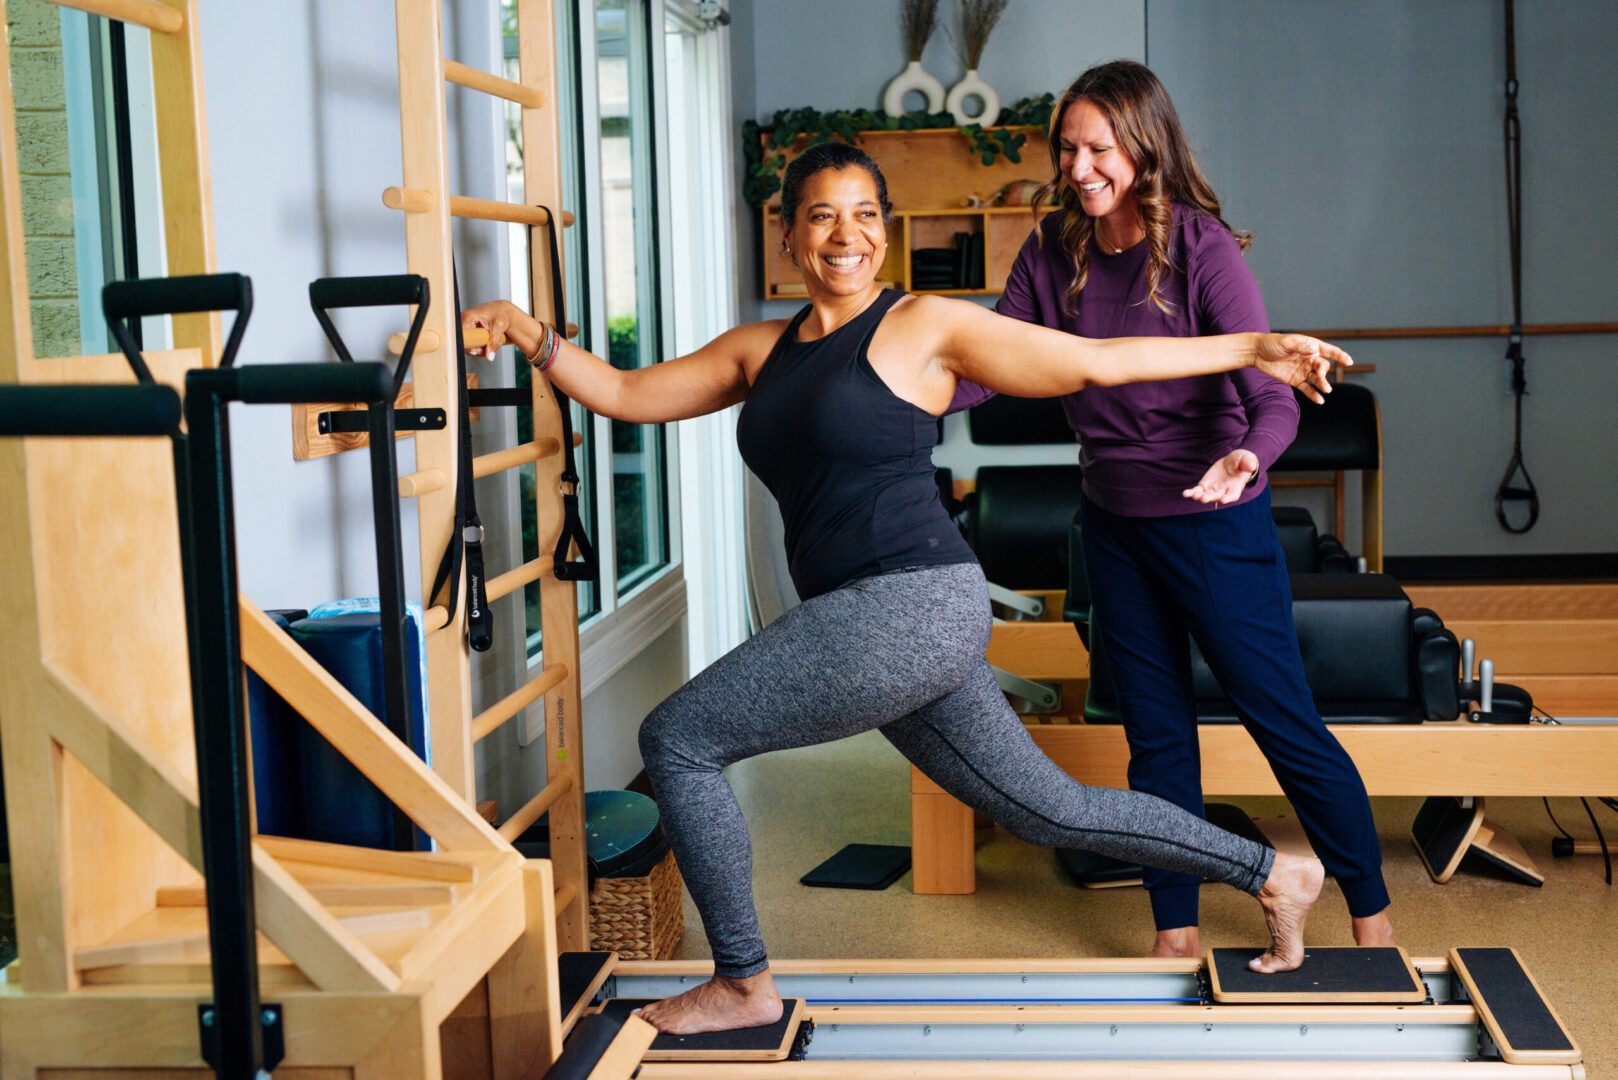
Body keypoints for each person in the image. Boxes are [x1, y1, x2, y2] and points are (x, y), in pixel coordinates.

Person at [463, 140, 1348, 1035]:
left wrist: (1253, 347)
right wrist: (530, 332)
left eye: (863, 215)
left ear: (884, 233)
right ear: (788, 236)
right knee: (1047, 809)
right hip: (890, 617)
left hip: (907, 604)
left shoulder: (924, 324)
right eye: (821, 215)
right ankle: (1275, 872)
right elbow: (621, 390)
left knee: (678, 738)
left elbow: (1094, 360)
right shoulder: (757, 351)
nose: (844, 235)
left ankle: (741, 982)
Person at [949, 60, 1396, 961]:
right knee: (1154, 738)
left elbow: (1270, 390)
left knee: (1284, 725)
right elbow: (989, 367)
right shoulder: (1051, 251)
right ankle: (1175, 932)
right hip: (1113, 529)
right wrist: (897, 383)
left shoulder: (1200, 248)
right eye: (1067, 148)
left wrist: (1247, 456)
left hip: (1215, 523)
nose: (1079, 167)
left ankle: (1374, 922)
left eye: (1098, 148)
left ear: (1142, 147)